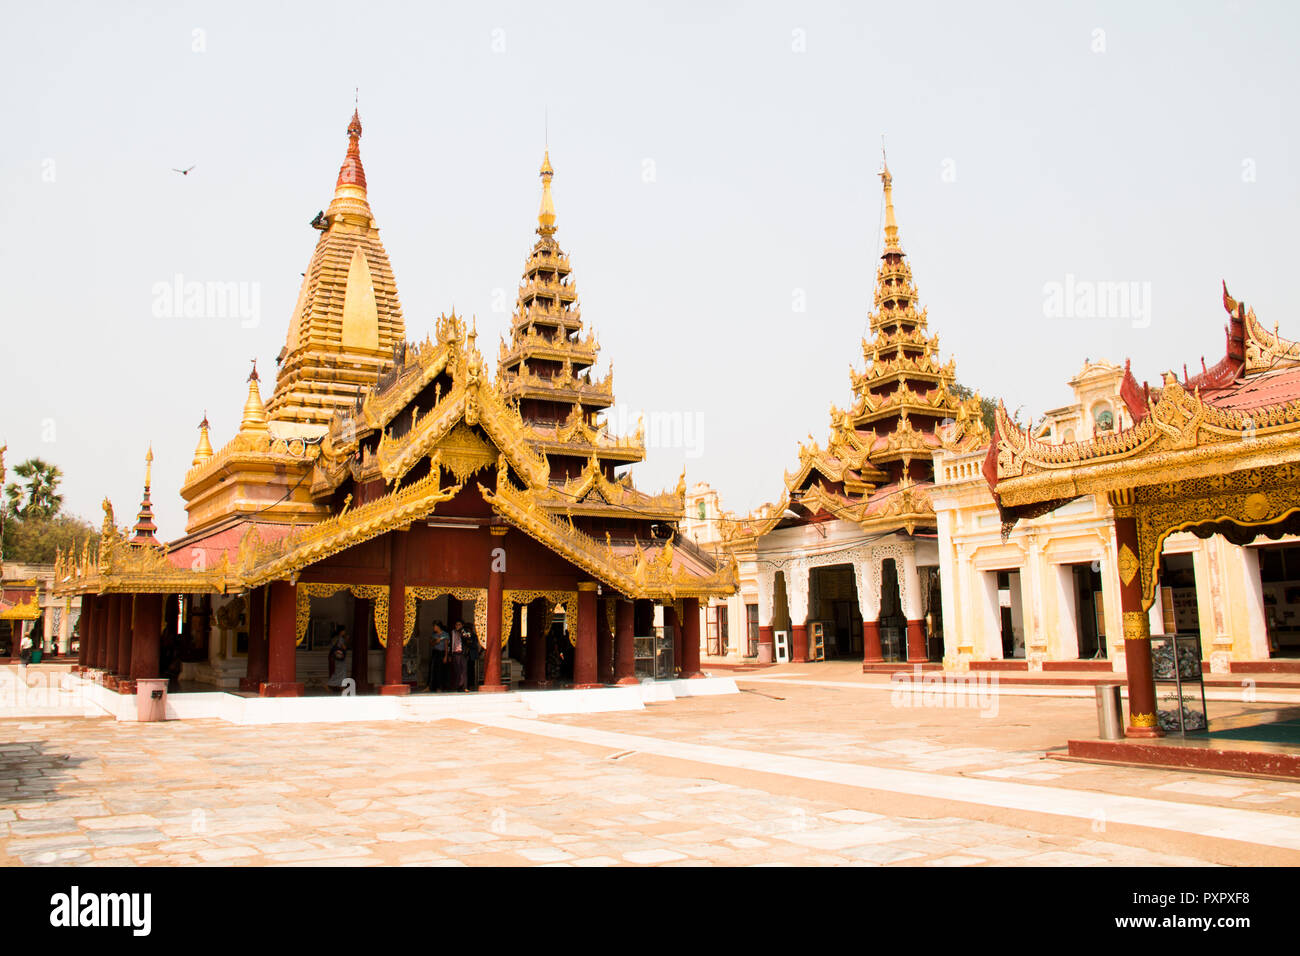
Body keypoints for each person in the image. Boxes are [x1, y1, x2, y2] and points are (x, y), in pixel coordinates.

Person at [326, 626, 350, 694]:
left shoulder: (335, 638)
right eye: (344, 631)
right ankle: (328, 684)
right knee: (340, 673)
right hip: (340, 659)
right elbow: (344, 648)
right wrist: (347, 640)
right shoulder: (340, 639)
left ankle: (341, 687)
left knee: (340, 673)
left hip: (337, 658)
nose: (344, 632)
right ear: (341, 631)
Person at [428, 622, 448, 692]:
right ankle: (431, 686)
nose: (434, 628)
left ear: (438, 627)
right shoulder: (434, 635)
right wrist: (436, 642)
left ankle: (440, 687)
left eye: (435, 626)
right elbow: (431, 643)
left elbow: (446, 646)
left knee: (440, 670)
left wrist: (446, 656)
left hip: (441, 652)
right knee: (433, 669)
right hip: (435, 652)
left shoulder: (445, 634)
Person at [449, 621, 468, 691]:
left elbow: (467, 638)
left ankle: (465, 686)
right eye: (456, 625)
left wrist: (462, 631)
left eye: (459, 625)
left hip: (462, 653)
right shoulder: (453, 632)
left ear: (462, 625)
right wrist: (449, 654)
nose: (458, 626)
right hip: (455, 653)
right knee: (457, 670)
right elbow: (450, 643)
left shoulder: (465, 632)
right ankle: (458, 686)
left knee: (464, 670)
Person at [463, 621, 479, 691]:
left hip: (471, 654)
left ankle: (471, 684)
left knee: (471, 669)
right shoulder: (464, 635)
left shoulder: (474, 636)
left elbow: (475, 645)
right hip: (465, 654)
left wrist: (470, 643)